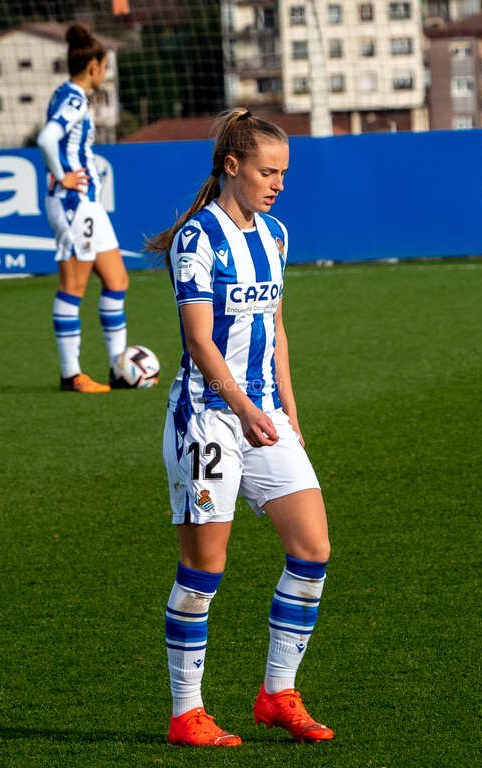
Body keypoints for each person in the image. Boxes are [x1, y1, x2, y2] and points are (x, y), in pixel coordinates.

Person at [146, 109, 334, 747]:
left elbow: (276, 328)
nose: (278, 184)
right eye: (267, 171)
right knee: (204, 569)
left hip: (265, 416)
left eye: (284, 173)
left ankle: (278, 694)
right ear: (232, 166)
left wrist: (286, 410)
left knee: (312, 550)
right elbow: (200, 341)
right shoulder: (198, 239)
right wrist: (244, 410)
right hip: (206, 420)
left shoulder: (276, 235)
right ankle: (186, 712)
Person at [38, 23, 135, 392]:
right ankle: (71, 374)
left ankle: (119, 368)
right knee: (73, 285)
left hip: (89, 205)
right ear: (93, 66)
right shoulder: (75, 99)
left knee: (117, 280)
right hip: (73, 205)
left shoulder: (66, 94)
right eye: (105, 66)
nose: (105, 73)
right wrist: (62, 175)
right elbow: (47, 138)